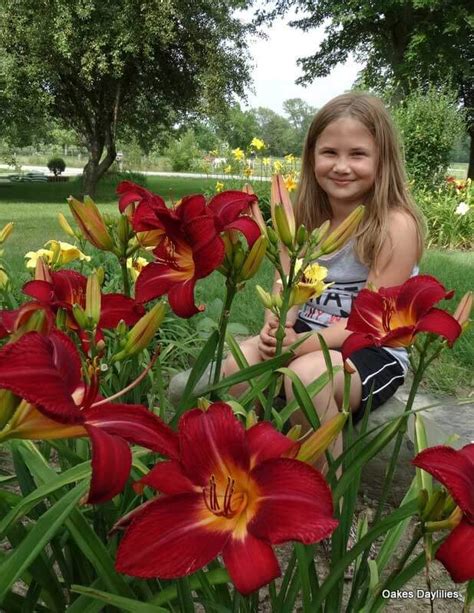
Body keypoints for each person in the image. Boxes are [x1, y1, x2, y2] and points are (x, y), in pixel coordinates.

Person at [222, 92, 425, 458]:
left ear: (383, 160)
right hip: (305, 337)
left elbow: (371, 327)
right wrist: (276, 326)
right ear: (312, 156)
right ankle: (254, 472)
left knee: (306, 377)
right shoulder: (301, 213)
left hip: (373, 351)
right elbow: (286, 281)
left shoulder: (395, 225)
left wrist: (296, 345)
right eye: (329, 152)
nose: (341, 166)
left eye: (358, 154)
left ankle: (320, 497)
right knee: (235, 367)